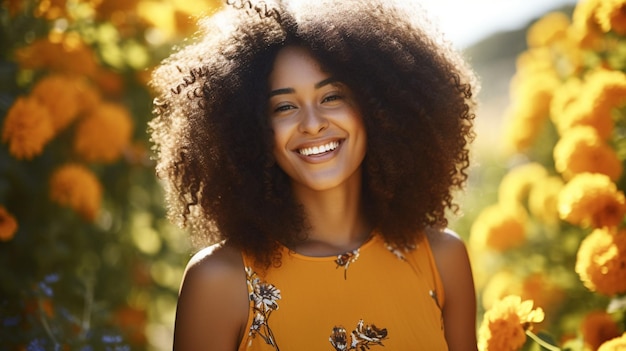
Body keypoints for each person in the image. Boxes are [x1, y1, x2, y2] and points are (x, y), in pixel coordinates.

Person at [149, 0, 478, 350]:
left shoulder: (442, 260)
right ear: (250, 130)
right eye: (284, 107)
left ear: (380, 108)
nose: (312, 123)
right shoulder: (219, 282)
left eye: (332, 96)